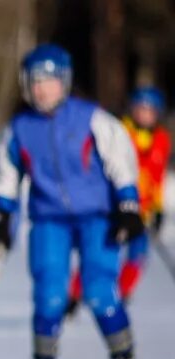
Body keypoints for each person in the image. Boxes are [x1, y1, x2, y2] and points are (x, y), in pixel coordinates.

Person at [0, 45, 145, 359]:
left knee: (99, 290)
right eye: (36, 82)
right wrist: (1, 216)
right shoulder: (20, 130)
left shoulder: (92, 119)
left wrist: (127, 203)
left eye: (50, 82)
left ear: (65, 83)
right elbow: (5, 175)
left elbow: (120, 159)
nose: (43, 90)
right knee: (49, 294)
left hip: (97, 216)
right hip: (48, 219)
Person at [67, 85, 170, 315]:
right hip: (116, 208)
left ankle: (120, 296)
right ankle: (72, 294)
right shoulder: (121, 131)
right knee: (98, 255)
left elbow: (157, 178)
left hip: (142, 213)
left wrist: (158, 208)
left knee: (138, 256)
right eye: (140, 109)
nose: (144, 114)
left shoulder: (162, 140)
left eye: (149, 110)